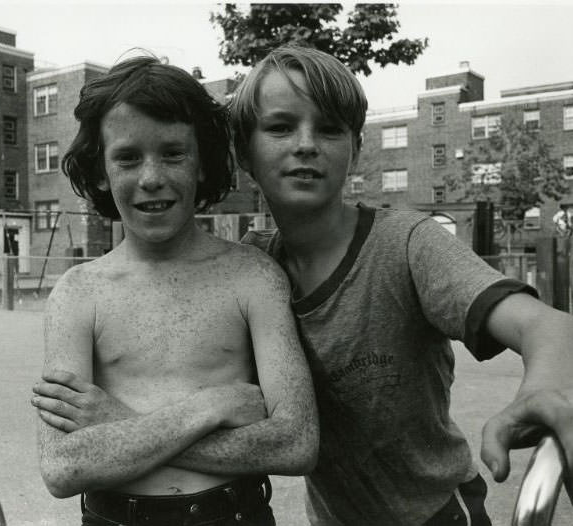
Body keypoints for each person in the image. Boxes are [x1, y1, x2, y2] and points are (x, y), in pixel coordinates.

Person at [35, 45, 573, 526]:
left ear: (356, 150)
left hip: (431, 512)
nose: (306, 145)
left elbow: (546, 326)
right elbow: (64, 465)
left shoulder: (404, 244)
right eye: (280, 127)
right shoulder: (255, 258)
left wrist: (547, 387)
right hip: (334, 516)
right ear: (244, 156)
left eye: (331, 129)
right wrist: (196, 413)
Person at [34, 55, 319, 526]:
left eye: (173, 153)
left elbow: (295, 442)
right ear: (102, 170)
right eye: (127, 157)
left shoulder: (253, 276)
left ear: (203, 162)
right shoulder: (78, 293)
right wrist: (211, 406)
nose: (151, 177)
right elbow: (64, 467)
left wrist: (116, 425)